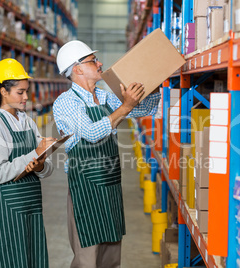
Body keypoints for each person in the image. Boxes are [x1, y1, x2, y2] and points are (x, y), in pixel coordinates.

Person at [53, 40, 161, 268]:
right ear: (77, 69)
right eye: (93, 60)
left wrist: (155, 80)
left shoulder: (105, 97)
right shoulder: (66, 102)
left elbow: (144, 108)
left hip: (110, 184)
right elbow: (92, 133)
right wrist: (125, 107)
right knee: (88, 256)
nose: (100, 63)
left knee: (111, 255)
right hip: (86, 188)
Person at [0, 58, 56, 268]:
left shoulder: (27, 121)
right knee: (13, 261)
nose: (25, 97)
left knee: (35, 259)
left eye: (26, 91)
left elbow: (44, 167)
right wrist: (33, 155)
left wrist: (40, 165)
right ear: (3, 91)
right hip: (9, 207)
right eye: (19, 92)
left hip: (32, 203)